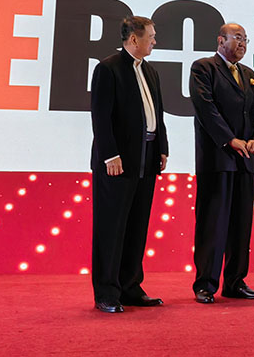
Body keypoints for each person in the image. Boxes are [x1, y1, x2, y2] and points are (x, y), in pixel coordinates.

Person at [90, 16, 169, 313]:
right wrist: (110, 155)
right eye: (151, 36)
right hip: (117, 162)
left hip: (147, 157)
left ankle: (130, 287)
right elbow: (101, 116)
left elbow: (157, 114)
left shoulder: (150, 71)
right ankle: (106, 292)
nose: (155, 41)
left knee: (137, 225)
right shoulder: (108, 68)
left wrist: (162, 148)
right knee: (111, 228)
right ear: (134, 39)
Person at [189, 23, 254, 304]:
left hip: (246, 160)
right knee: (213, 223)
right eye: (237, 38)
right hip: (218, 158)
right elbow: (206, 108)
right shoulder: (204, 68)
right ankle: (205, 284)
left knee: (241, 224)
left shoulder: (250, 75)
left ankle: (235, 282)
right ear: (220, 40)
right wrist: (230, 139)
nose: (243, 43)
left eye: (245, 39)